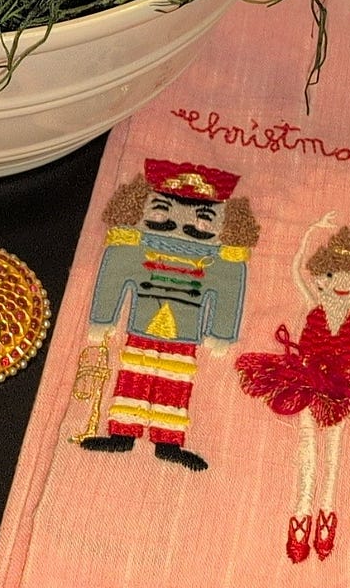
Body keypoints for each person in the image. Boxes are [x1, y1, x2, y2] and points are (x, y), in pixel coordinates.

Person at [235, 214, 350, 562]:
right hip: (306, 379)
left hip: (344, 386)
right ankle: (301, 516)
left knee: (331, 452)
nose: (343, 284)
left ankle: (324, 517)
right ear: (321, 278)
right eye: (331, 275)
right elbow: (296, 269)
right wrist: (310, 231)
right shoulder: (316, 306)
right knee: (309, 449)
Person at [78, 158, 258, 471]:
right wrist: (103, 319)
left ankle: (168, 441)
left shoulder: (220, 261)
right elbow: (114, 277)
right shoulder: (134, 246)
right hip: (143, 324)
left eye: (203, 221)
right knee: (134, 373)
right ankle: (122, 432)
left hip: (184, 332)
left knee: (176, 378)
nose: (183, 224)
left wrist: (221, 332)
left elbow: (228, 292)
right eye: (162, 210)